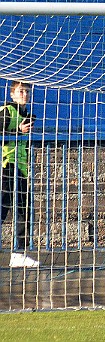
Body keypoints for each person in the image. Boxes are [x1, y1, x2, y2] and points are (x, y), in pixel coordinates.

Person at [1, 81, 39, 268]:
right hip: (6, 165)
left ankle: (18, 253)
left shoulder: (27, 115)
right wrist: (18, 131)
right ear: (12, 95)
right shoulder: (6, 111)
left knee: (24, 208)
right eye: (21, 91)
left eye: (27, 91)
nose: (25, 94)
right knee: (3, 207)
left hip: (21, 167)